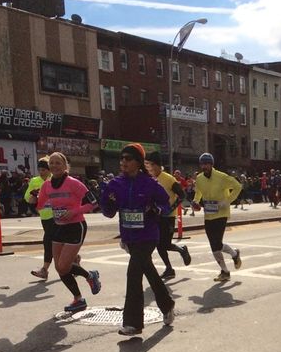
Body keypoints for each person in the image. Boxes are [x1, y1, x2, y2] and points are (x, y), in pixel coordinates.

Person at [100, 143, 175, 335]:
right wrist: (107, 200)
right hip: (129, 237)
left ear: (138, 162)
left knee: (133, 273)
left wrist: (155, 209)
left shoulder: (150, 184)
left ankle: (133, 323)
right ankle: (167, 304)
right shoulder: (115, 184)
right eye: (121, 158)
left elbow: (166, 205)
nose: (123, 162)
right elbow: (108, 212)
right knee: (149, 270)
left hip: (148, 235)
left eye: (128, 158)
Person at [33, 152, 101, 314]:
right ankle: (78, 299)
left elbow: (93, 203)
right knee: (60, 268)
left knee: (64, 265)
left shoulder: (74, 183)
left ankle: (89, 276)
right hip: (58, 227)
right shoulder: (46, 185)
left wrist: (74, 212)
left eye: (58, 163)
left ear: (65, 166)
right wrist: (34, 198)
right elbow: (39, 205)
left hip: (76, 227)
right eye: (52, 163)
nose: (54, 166)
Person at [191, 153, 243, 282]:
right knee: (213, 245)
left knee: (217, 243)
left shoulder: (222, 177)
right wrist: (195, 201)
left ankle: (234, 255)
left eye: (207, 164)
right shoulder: (199, 178)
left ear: (211, 164)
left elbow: (237, 186)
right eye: (202, 164)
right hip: (208, 215)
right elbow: (198, 192)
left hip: (221, 213)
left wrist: (227, 201)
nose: (204, 166)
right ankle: (225, 270)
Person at [144, 152, 191, 280]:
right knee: (159, 245)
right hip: (156, 217)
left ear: (157, 165)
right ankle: (169, 268)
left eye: (151, 165)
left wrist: (171, 208)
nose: (149, 168)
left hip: (168, 217)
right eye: (147, 165)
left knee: (166, 244)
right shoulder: (150, 179)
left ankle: (182, 250)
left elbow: (182, 195)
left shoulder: (169, 179)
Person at [25, 157, 55, 280]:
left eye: (44, 170)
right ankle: (74, 259)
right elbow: (27, 197)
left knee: (48, 241)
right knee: (58, 242)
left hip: (57, 216)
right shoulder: (34, 181)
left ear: (49, 170)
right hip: (44, 216)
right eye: (40, 170)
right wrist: (32, 196)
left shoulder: (55, 179)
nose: (41, 172)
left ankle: (44, 270)